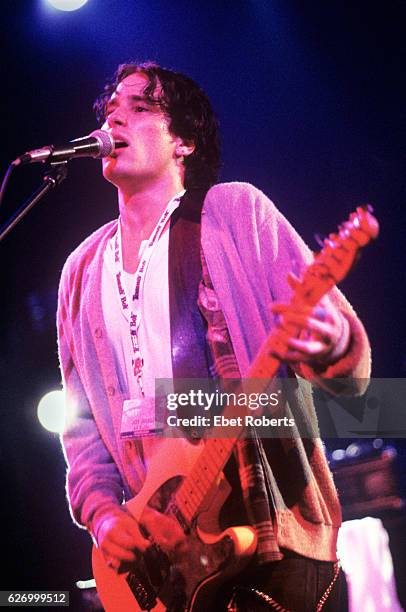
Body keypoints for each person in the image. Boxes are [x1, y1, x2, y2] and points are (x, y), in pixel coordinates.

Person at [57, 62, 370, 611]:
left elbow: (351, 362)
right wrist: (105, 516)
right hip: (166, 562)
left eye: (139, 107)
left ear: (184, 140)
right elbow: (80, 428)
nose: (115, 118)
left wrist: (332, 343)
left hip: (273, 536)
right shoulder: (80, 272)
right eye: (111, 110)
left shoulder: (235, 212)